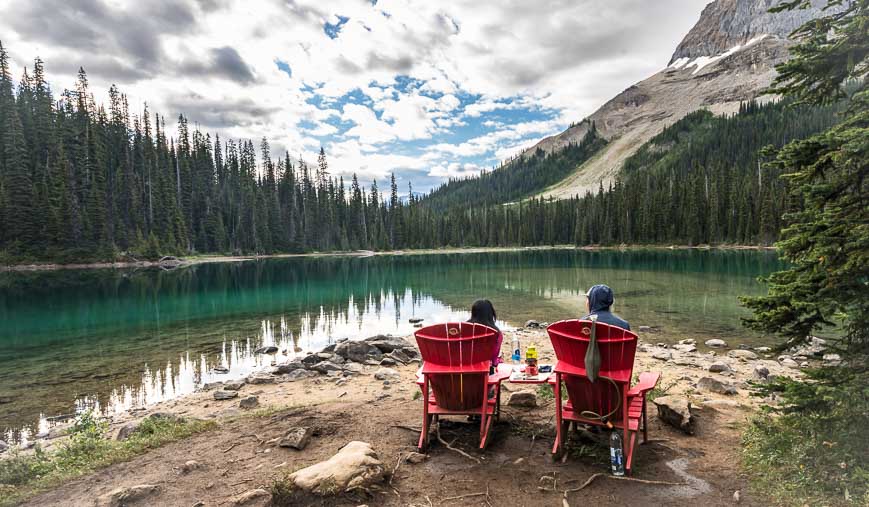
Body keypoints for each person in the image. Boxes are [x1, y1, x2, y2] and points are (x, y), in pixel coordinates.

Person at [466, 299, 503, 367]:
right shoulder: (496, 333)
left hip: (464, 367)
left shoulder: (464, 328)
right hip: (486, 370)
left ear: (473, 313)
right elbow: (494, 356)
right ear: (491, 313)